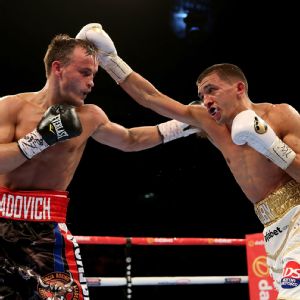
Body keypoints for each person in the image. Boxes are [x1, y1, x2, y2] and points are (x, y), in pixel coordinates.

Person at [76, 23, 300, 299]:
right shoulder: (207, 123)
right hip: (271, 228)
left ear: (239, 87)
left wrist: (271, 146)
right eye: (201, 95)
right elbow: (151, 98)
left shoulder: (280, 116)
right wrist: (111, 61)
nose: (205, 100)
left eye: (211, 90)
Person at [0, 33, 199, 299]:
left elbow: (130, 139)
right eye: (84, 72)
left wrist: (182, 126)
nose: (91, 82)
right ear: (58, 67)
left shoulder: (90, 116)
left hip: (47, 230)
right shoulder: (11, 107)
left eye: (93, 74)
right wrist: (41, 138)